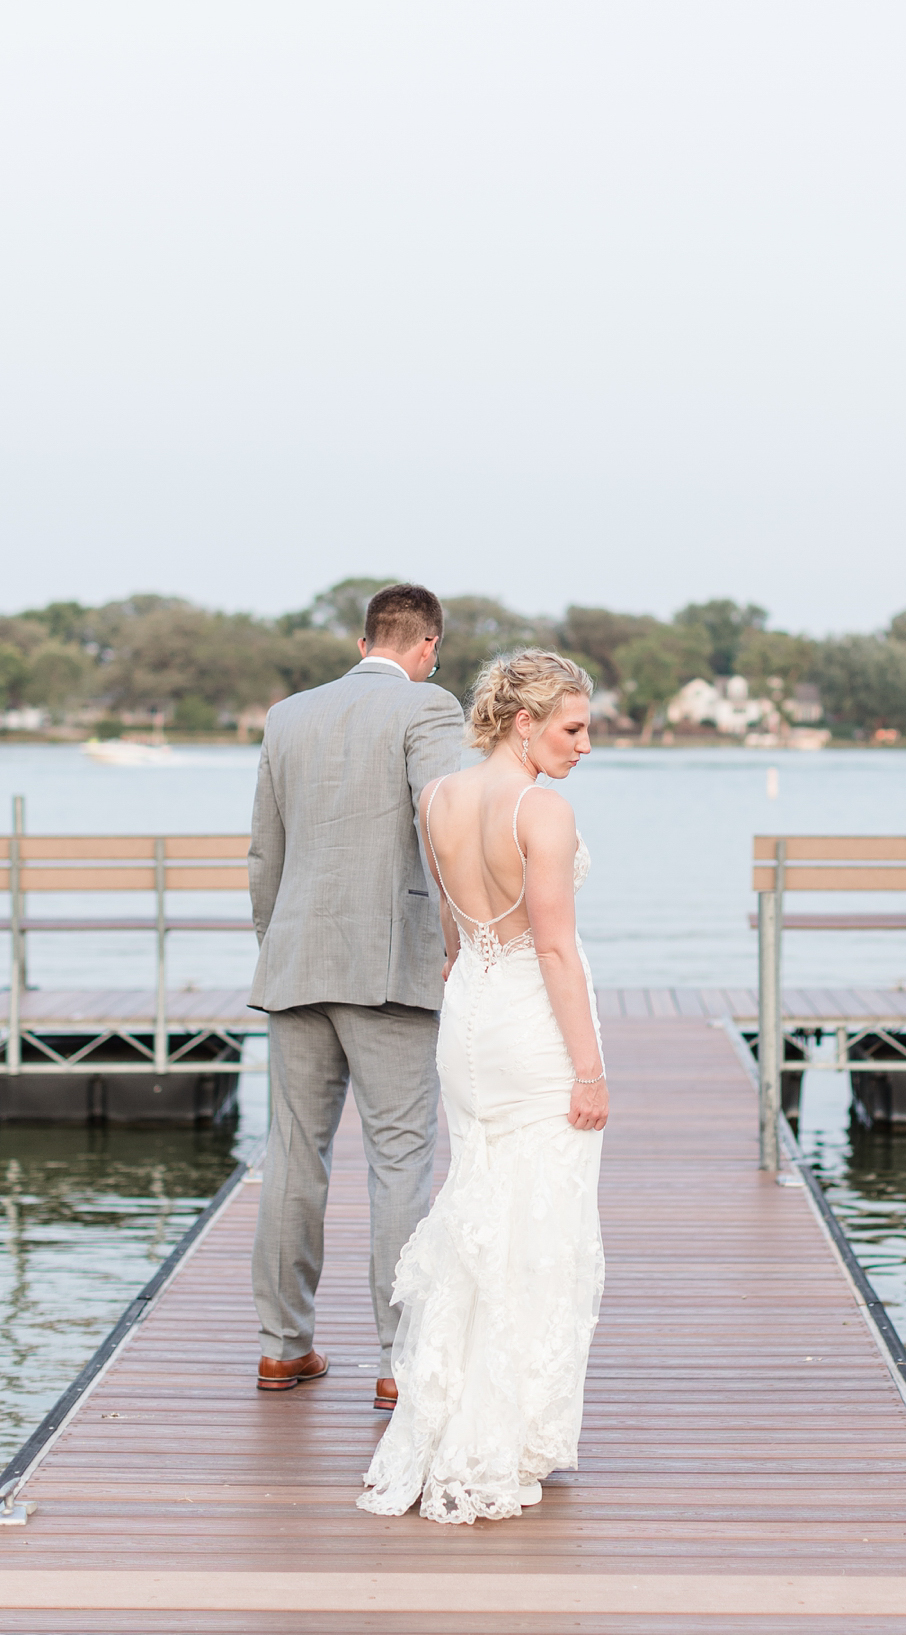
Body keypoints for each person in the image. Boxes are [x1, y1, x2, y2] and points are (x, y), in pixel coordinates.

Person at [357, 648, 607, 1525]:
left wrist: (472, 1000)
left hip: (467, 1019)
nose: (585, 745)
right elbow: (553, 949)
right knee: (541, 1224)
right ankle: (508, 1433)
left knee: (480, 1205)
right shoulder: (542, 809)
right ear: (524, 723)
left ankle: (451, 1412)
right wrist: (589, 1068)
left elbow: (458, 939)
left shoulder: (440, 798)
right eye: (573, 729)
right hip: (531, 1029)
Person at [247, 581, 464, 1406]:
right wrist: (459, 939)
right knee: (400, 1163)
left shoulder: (288, 715)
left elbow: (264, 852)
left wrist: (278, 945)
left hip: (297, 960)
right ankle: (398, 1360)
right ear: (426, 646)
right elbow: (443, 820)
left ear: (366, 636)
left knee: (293, 1157)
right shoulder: (428, 708)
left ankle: (282, 1347)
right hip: (389, 963)